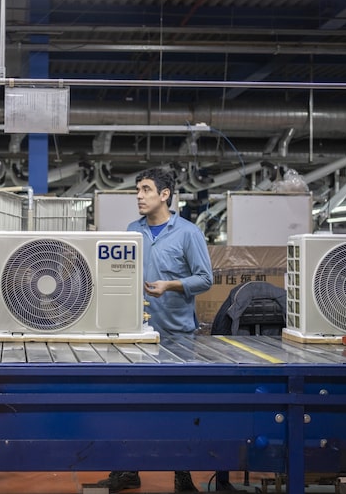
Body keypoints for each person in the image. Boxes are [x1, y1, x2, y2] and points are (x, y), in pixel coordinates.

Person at [95, 168, 213, 494]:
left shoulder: (188, 233)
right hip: (137, 332)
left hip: (177, 335)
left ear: (165, 195)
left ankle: (182, 475)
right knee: (129, 403)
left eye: (146, 189)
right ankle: (127, 471)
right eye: (137, 190)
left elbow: (205, 279)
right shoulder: (133, 231)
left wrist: (171, 285)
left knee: (179, 406)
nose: (139, 195)